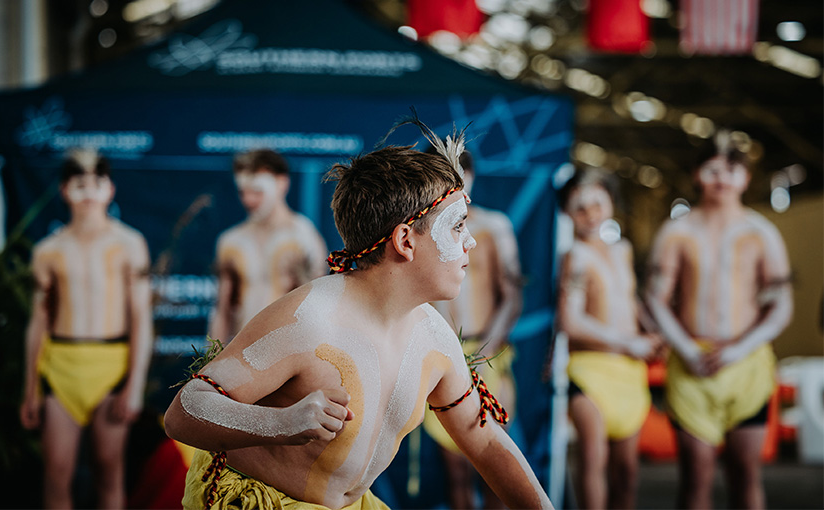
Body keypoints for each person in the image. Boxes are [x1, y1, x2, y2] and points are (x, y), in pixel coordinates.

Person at [164, 122, 554, 510]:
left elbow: (485, 441)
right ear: (405, 241)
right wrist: (283, 424)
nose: (470, 241)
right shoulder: (309, 319)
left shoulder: (437, 337)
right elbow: (184, 412)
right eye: (457, 226)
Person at [646, 131, 793, 509]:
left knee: (746, 473)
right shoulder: (677, 232)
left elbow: (781, 304)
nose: (722, 178)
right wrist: (687, 351)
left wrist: (740, 350)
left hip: (747, 365)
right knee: (696, 478)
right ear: (697, 175)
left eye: (732, 169)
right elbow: (655, 299)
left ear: (745, 177)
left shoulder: (762, 233)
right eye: (712, 169)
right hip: (691, 365)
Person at [19, 148, 153, 509]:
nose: (89, 191)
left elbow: (141, 317)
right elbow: (39, 321)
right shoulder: (48, 250)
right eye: (79, 183)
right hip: (60, 366)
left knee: (110, 471)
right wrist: (30, 388)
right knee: (56, 473)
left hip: (111, 364)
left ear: (110, 189)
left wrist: (134, 386)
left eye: (97, 182)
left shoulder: (129, 244)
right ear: (65, 190)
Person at [423, 148, 523, 510]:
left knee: (496, 469)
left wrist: (488, 349)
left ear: (471, 177)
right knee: (457, 474)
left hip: (486, 353)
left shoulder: (494, 226)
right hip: (440, 358)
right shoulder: (418, 233)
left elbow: (511, 293)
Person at [556, 169, 662, 510]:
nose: (590, 214)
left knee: (627, 470)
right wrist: (628, 343)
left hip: (627, 371)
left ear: (611, 205)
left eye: (597, 204)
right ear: (568, 212)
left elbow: (628, 300)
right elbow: (570, 320)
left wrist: (651, 329)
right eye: (580, 207)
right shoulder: (574, 257)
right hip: (590, 371)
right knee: (593, 461)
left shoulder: (623, 251)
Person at [209, 149, 326, 344]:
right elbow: (222, 311)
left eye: (257, 191)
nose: (248, 200)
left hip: (288, 353)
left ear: (282, 184)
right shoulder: (230, 241)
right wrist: (210, 365)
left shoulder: (304, 237)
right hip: (241, 351)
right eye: (242, 192)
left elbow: (319, 308)